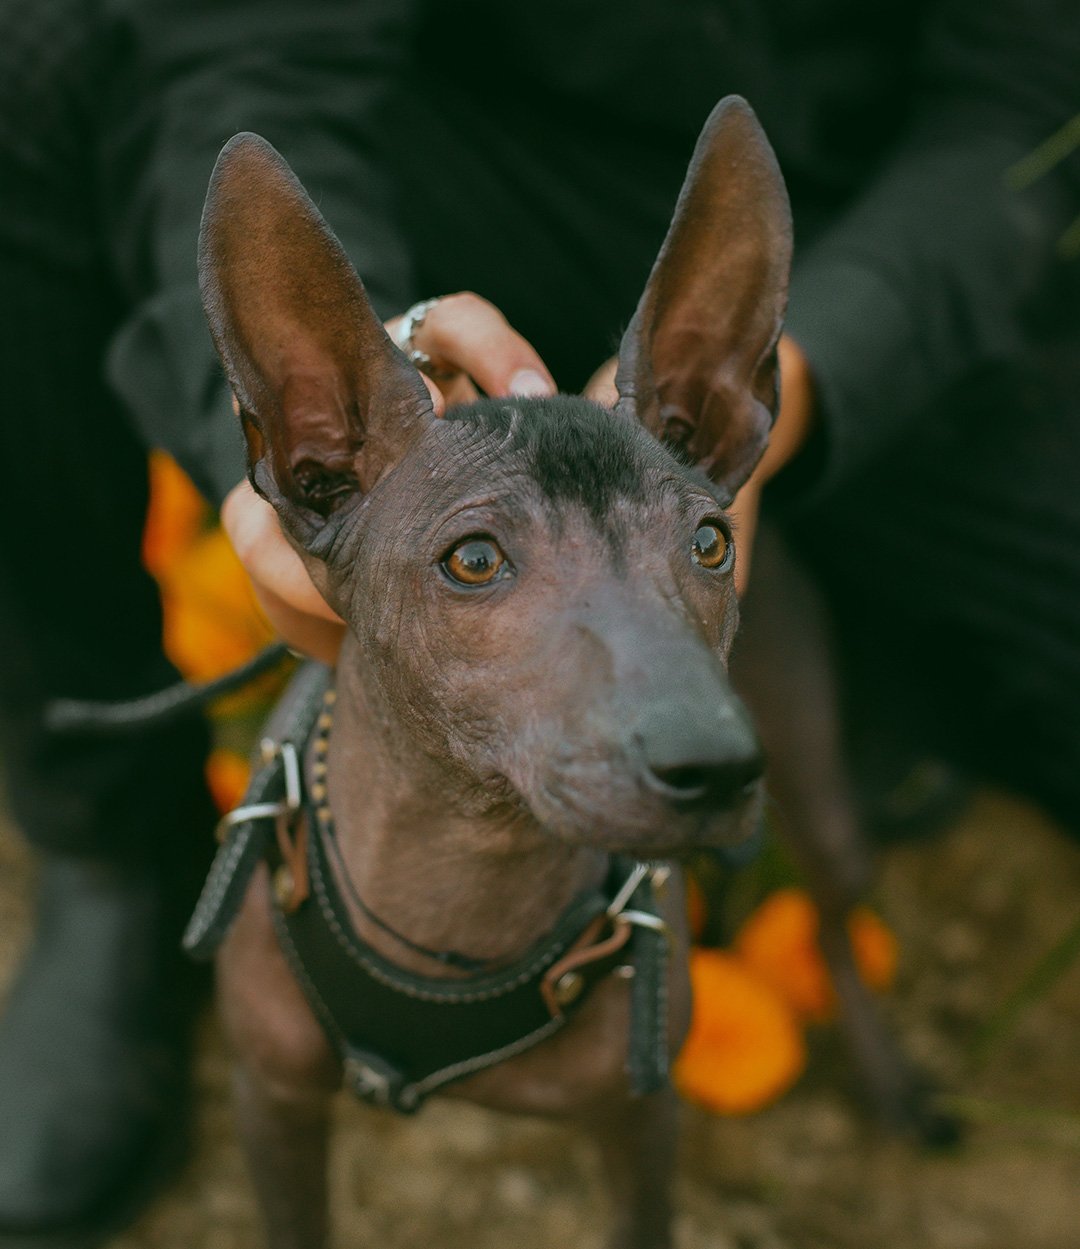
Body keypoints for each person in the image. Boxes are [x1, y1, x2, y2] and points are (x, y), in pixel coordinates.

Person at [1, 0, 1077, 1243]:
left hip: (876, 218)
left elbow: (1024, 108)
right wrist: (354, 439)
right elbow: (251, 54)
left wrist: (804, 382)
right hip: (467, 141)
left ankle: (835, 655)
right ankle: (112, 843)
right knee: (33, 53)